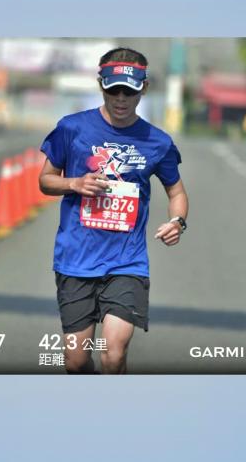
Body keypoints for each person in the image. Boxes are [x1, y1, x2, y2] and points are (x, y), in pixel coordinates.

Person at [39, 47, 189, 374]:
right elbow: (45, 180)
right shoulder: (72, 128)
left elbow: (176, 192)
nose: (121, 99)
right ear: (101, 85)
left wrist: (178, 221)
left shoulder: (158, 142)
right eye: (114, 90)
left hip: (127, 262)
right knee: (76, 361)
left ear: (143, 89)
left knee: (113, 353)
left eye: (129, 91)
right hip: (76, 259)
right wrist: (75, 183)